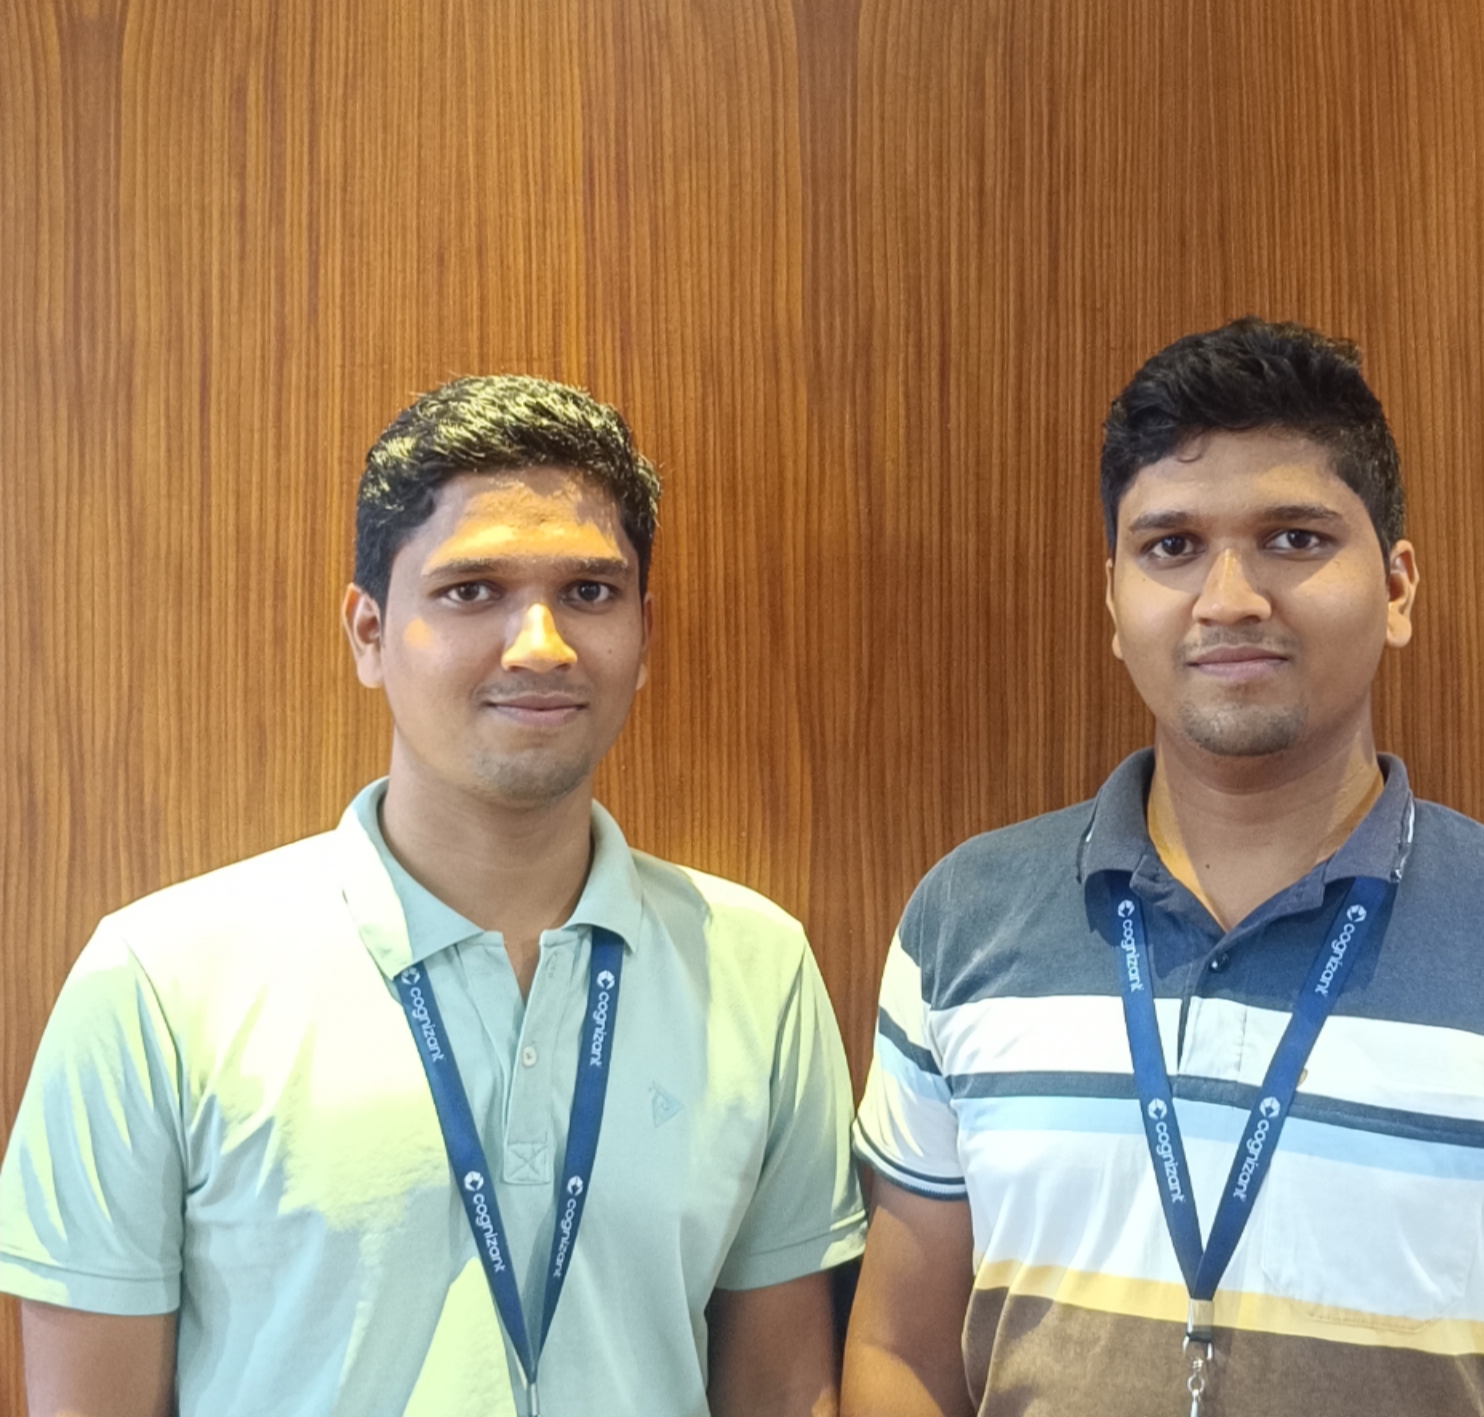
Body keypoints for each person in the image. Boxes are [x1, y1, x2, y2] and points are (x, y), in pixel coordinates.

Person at [842, 320, 1484, 1417]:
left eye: (1292, 537)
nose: (1229, 597)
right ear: (1113, 599)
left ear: (1399, 585)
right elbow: (900, 1352)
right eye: (1171, 546)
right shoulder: (964, 920)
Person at [1, 376, 866, 1417]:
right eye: (472, 590)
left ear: (644, 634)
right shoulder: (157, 979)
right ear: (369, 631)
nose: (540, 642)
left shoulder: (757, 964)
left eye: (590, 591)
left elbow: (779, 1387)